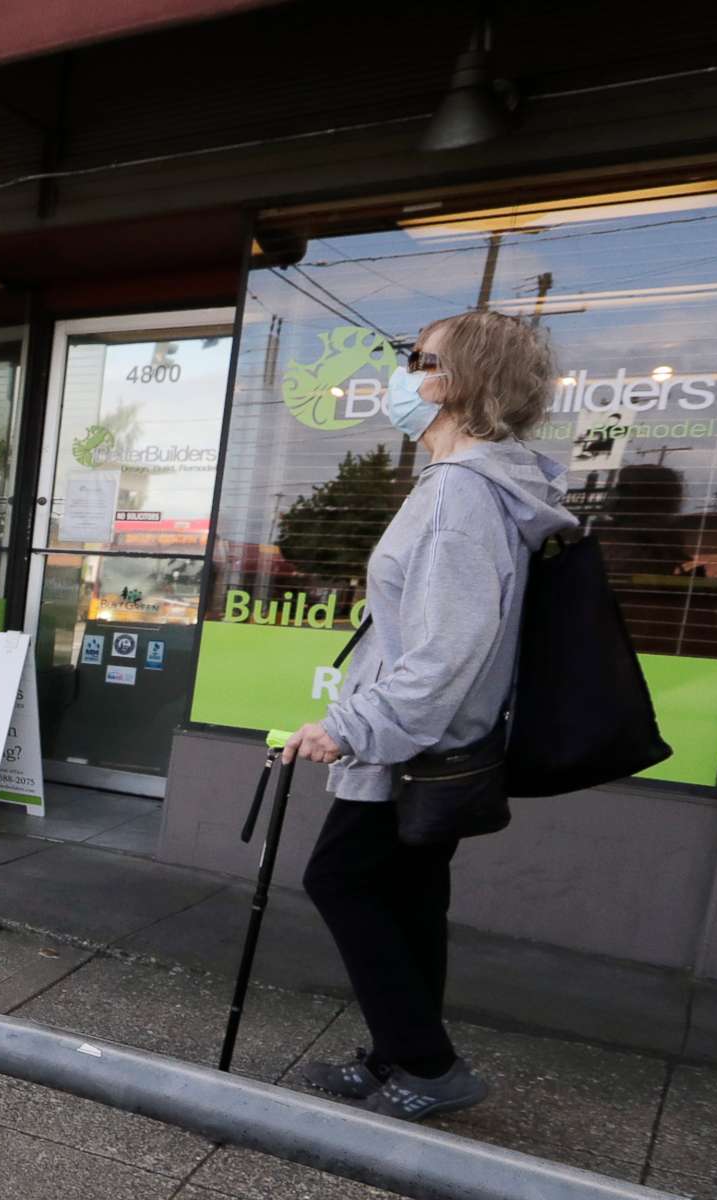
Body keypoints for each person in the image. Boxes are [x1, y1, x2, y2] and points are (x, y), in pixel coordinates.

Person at [280, 308, 573, 1121]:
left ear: (462, 381)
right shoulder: (464, 487)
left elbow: (447, 652)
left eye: (420, 358)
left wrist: (349, 728)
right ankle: (394, 1059)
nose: (404, 374)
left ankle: (429, 1065)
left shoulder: (460, 499)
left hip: (413, 745)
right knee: (409, 899)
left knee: (339, 879)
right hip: (438, 746)